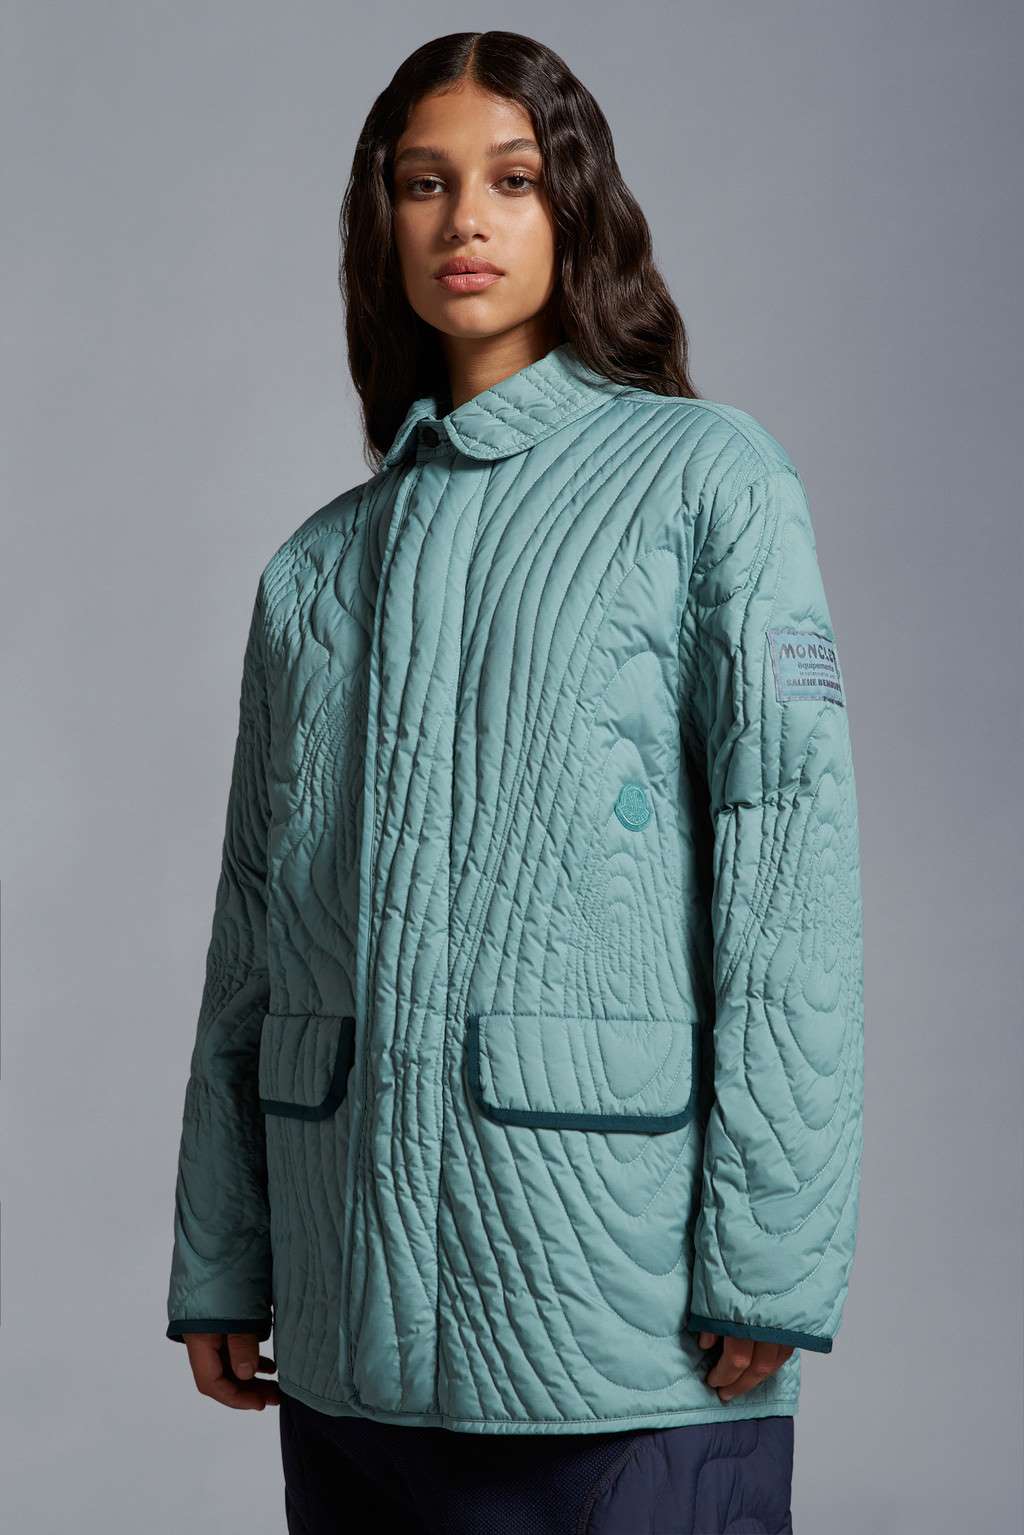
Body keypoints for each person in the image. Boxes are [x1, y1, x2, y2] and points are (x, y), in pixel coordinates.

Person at [164, 29, 864, 1535]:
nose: (463, 220)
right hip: (347, 1327)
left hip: (622, 1322)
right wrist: (223, 1256)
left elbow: (790, 871)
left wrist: (771, 1254)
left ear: (576, 208)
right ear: (383, 220)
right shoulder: (313, 570)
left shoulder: (710, 483)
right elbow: (252, 930)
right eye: (425, 183)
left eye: (512, 180)